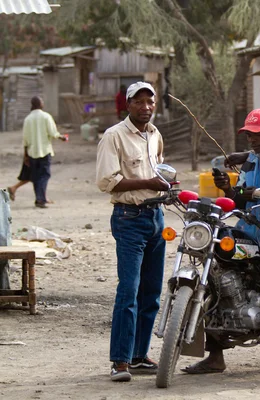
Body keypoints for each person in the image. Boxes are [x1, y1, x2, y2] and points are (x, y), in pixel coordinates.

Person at [181, 109, 260, 384]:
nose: (252, 140)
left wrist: (249, 194)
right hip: (248, 231)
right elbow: (241, 200)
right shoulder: (250, 162)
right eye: (248, 135)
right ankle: (215, 355)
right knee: (215, 278)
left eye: (257, 134)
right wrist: (227, 190)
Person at [96, 82, 170, 382]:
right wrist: (147, 183)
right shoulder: (114, 136)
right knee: (128, 291)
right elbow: (107, 181)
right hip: (129, 218)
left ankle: (140, 356)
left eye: (149, 102)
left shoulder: (155, 135)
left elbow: (159, 169)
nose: (145, 107)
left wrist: (163, 183)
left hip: (157, 217)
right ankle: (120, 361)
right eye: (138, 102)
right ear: (128, 105)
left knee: (151, 292)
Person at [22, 96, 67, 208]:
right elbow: (53, 133)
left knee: (36, 176)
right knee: (44, 175)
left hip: (32, 152)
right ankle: (41, 200)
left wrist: (25, 155)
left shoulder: (28, 119)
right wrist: (62, 137)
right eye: (42, 101)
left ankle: (39, 199)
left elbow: (25, 140)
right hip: (45, 151)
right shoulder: (46, 116)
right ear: (39, 104)